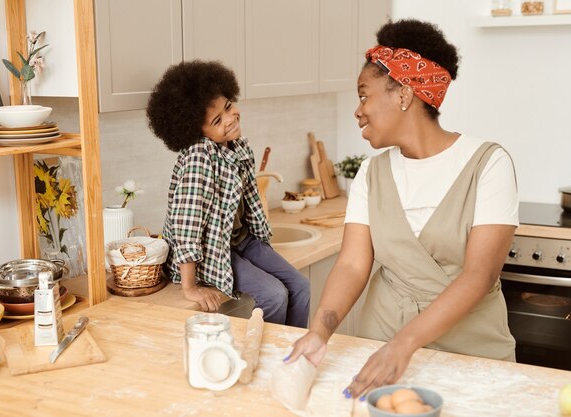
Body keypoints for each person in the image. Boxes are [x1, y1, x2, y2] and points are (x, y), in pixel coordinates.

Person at [285, 19, 518, 397]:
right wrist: (319, 332)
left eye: (364, 95)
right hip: (381, 342)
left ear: (404, 94)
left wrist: (404, 345)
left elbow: (478, 276)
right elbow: (351, 264)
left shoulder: (488, 164)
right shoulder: (371, 172)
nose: (357, 111)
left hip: (472, 352)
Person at [146, 60, 310, 328]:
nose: (231, 118)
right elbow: (186, 227)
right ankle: (267, 359)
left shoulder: (236, 146)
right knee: (274, 295)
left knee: (300, 286)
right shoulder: (199, 159)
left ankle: (292, 355)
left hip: (241, 242)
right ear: (195, 131)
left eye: (229, 107)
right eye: (217, 120)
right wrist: (190, 287)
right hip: (214, 251)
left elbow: (249, 202)